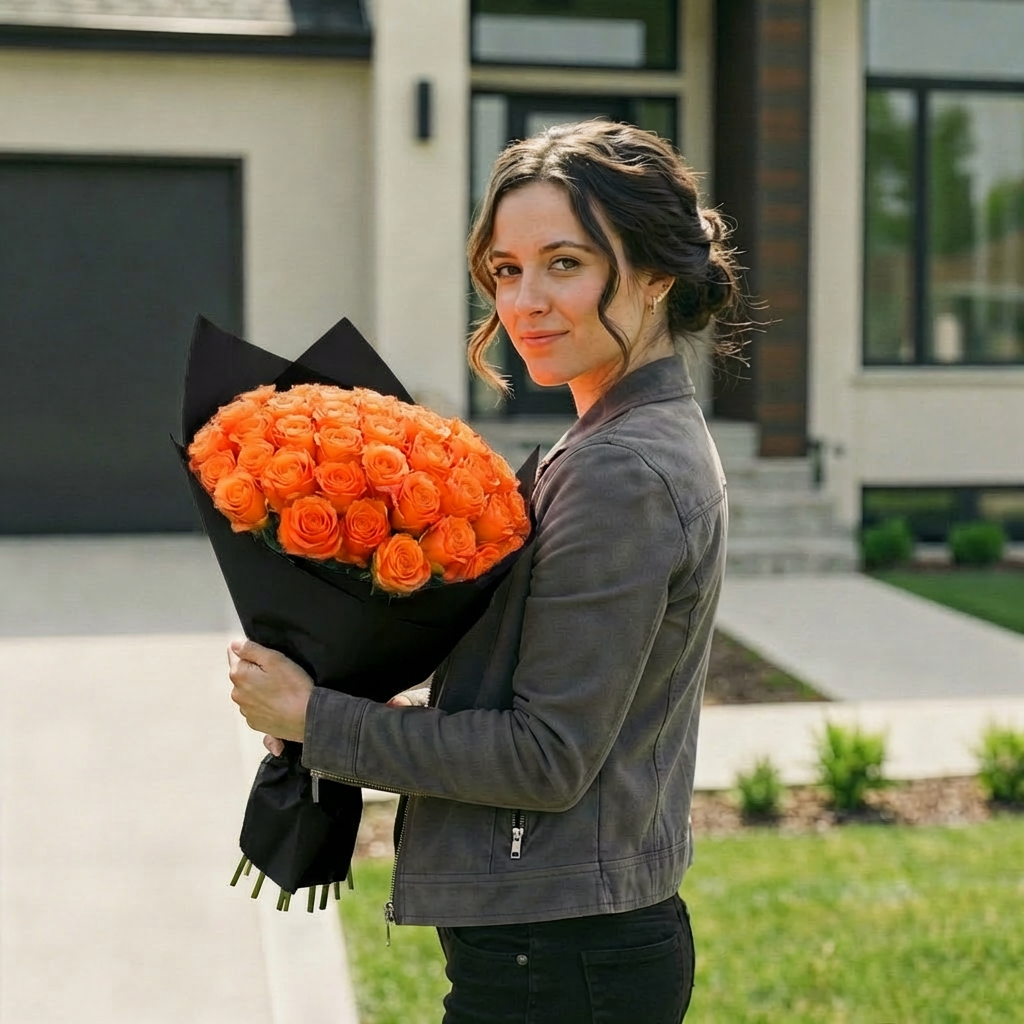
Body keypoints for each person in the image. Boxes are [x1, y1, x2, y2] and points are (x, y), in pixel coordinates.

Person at [228, 119, 741, 1024]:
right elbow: (535, 709)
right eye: (506, 269)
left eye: (566, 264)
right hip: (559, 944)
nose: (525, 301)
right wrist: (342, 716)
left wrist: (316, 718)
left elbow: (545, 760)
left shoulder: (623, 469)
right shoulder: (609, 440)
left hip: (562, 960)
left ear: (657, 276)